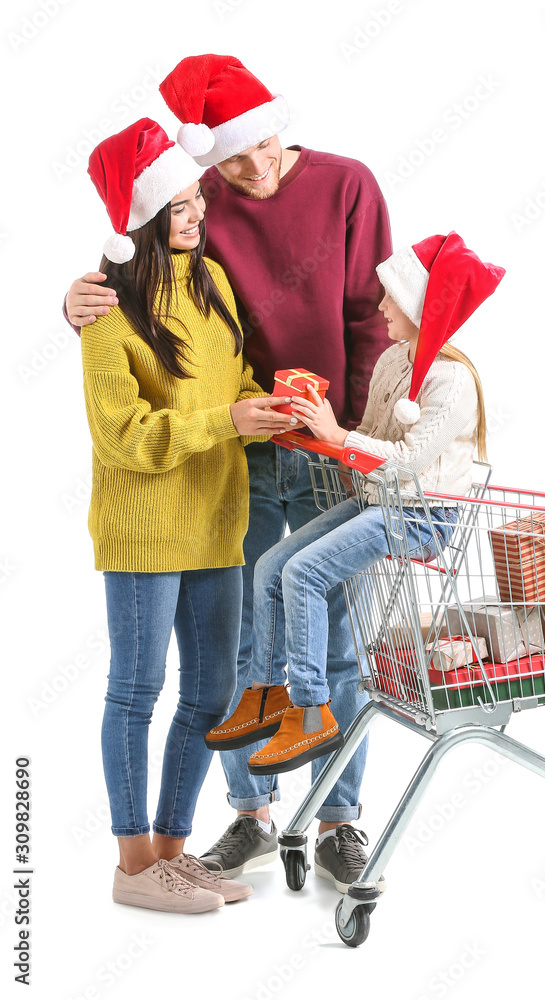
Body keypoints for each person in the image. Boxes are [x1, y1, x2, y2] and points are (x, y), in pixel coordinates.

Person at [65, 55, 392, 889]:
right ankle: (248, 814)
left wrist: (350, 437)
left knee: (339, 640)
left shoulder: (348, 187)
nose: (249, 172)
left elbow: (373, 320)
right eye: (224, 165)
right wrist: (75, 301)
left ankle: (338, 818)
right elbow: (138, 288)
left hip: (326, 448)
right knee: (247, 646)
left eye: (259, 147)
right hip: (231, 459)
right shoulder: (198, 217)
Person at [208, 233, 504, 890]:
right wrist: (307, 428)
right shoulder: (399, 361)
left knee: (307, 574)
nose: (380, 309)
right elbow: (366, 443)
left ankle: (309, 712)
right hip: (380, 499)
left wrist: (338, 435)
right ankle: (262, 697)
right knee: (270, 570)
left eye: (393, 300)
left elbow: (402, 461)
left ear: (424, 308)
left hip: (421, 513)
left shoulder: (452, 380)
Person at [81, 118, 296, 913]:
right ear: (139, 221)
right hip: (144, 530)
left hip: (217, 521)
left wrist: (262, 405)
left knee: (210, 695)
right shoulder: (103, 310)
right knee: (136, 691)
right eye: (177, 208)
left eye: (195, 199)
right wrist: (225, 425)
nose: (197, 215)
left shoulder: (211, 285)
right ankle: (132, 866)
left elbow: (231, 380)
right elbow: (127, 436)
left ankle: (172, 853)